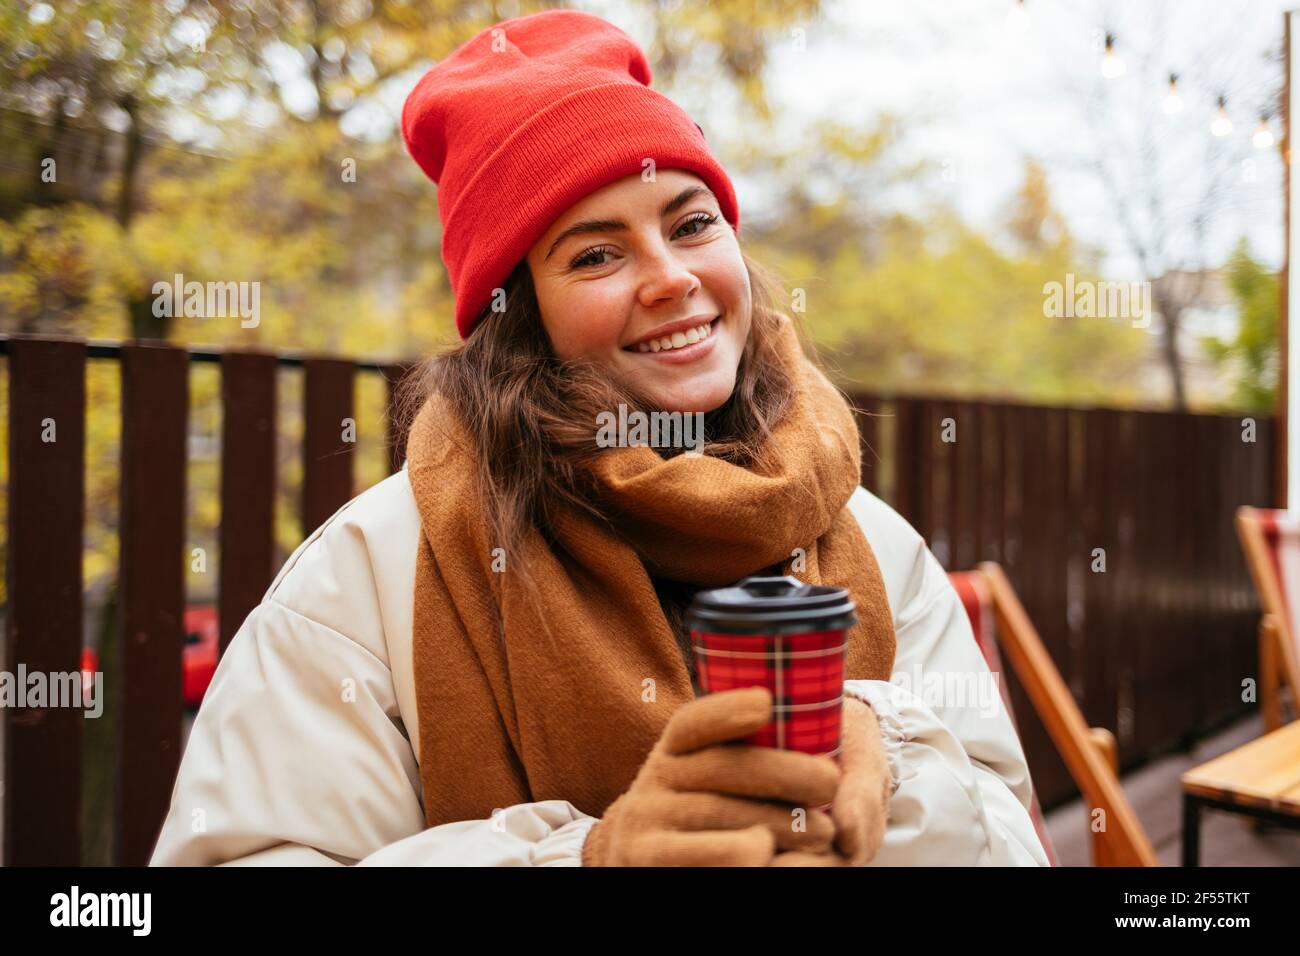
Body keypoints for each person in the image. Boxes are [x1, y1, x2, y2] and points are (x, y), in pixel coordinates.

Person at [150, 8, 1050, 867]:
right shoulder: (368, 577)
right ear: (519, 317)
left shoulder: (875, 543)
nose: (670, 279)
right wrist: (588, 856)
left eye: (693, 224)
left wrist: (886, 751)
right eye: (595, 254)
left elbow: (1007, 830)